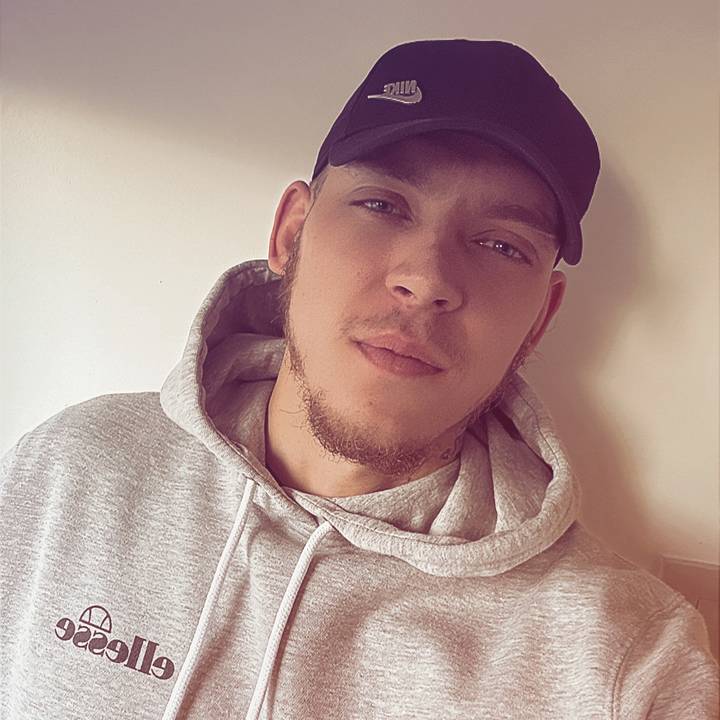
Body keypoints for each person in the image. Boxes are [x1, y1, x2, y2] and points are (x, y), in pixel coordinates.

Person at [0, 38, 717, 720]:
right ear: (291, 234)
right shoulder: (71, 472)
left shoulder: (625, 655)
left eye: (502, 244)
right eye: (383, 205)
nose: (427, 279)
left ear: (541, 318)